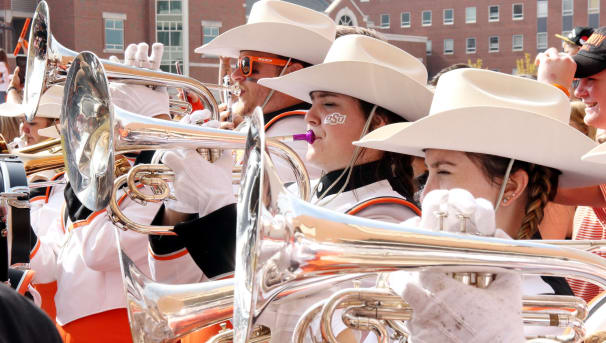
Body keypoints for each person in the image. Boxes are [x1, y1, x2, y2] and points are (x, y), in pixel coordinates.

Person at [356, 68, 606, 295]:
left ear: (511, 186)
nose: (425, 194)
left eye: (443, 172)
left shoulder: (542, 298)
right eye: (427, 174)